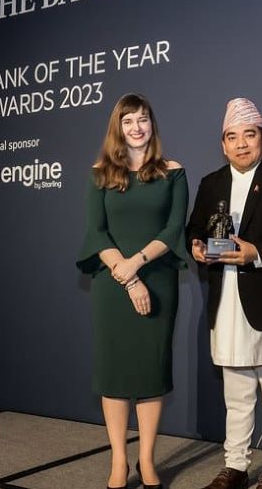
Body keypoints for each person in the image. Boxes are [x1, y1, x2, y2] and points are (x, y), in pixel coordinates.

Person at [187, 98, 262, 489]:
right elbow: (194, 229)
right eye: (232, 137)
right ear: (223, 145)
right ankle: (236, 467)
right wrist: (196, 246)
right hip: (226, 304)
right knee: (236, 395)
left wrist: (256, 253)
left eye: (249, 135)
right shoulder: (211, 183)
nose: (241, 144)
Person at [77, 93, 189, 489]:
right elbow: (96, 232)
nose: (136, 127)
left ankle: (147, 459)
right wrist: (127, 276)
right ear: (118, 128)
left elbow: (173, 230)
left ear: (152, 124)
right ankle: (119, 461)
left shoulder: (173, 172)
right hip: (112, 284)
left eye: (142, 119)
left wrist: (137, 264)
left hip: (158, 281)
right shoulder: (100, 173)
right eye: (128, 121)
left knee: (150, 372)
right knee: (114, 372)